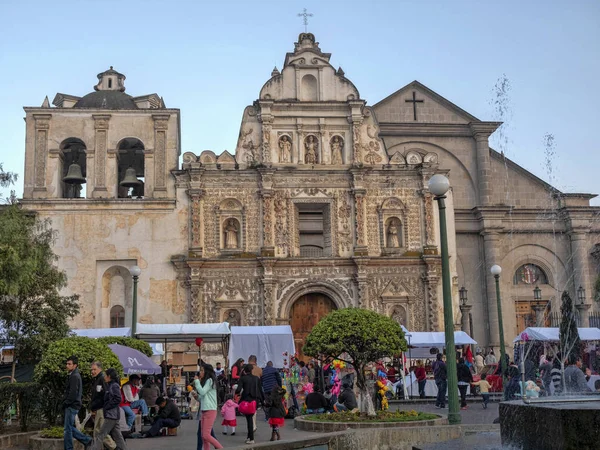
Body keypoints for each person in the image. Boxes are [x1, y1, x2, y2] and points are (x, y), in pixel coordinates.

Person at [91, 368, 128, 450]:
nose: (104, 377)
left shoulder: (114, 385)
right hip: (113, 415)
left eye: (105, 375)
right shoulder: (110, 385)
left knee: (100, 435)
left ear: (109, 376)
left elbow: (118, 399)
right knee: (118, 437)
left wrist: (107, 407)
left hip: (111, 415)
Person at [63, 356, 93, 450]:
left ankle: (69, 448)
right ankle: (87, 440)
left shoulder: (74, 376)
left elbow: (73, 393)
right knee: (69, 427)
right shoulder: (73, 375)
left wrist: (66, 403)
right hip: (73, 404)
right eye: (67, 363)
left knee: (67, 429)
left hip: (72, 405)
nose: (67, 365)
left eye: (69, 364)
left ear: (75, 365)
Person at [193, 364, 223, 450]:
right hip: (205, 409)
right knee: (204, 436)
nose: (200, 372)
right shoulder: (207, 382)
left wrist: (197, 381)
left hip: (210, 410)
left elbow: (202, 392)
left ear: (206, 372)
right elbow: (203, 397)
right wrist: (196, 397)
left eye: (202, 370)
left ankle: (220, 448)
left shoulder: (210, 381)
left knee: (206, 435)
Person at [90, 361, 116, 450]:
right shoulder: (97, 379)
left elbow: (105, 394)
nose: (93, 371)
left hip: (101, 409)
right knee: (97, 433)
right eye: (92, 370)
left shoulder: (101, 379)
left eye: (94, 369)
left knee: (101, 432)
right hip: (98, 409)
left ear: (100, 369)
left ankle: (114, 447)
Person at [235, 364, 263, 444]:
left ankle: (251, 438)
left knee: (249, 420)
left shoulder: (243, 378)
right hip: (255, 401)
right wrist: (262, 400)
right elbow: (260, 390)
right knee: (250, 418)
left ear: (244, 370)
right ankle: (249, 437)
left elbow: (238, 390)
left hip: (246, 400)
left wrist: (237, 393)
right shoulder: (256, 378)